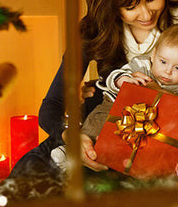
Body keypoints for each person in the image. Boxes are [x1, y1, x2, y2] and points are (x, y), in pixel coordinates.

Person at [9, 0, 178, 178]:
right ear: (111, 4)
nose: (146, 14)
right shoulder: (93, 31)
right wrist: (71, 137)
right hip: (100, 127)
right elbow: (52, 104)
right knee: (29, 171)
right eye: (131, 6)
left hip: (164, 136)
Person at [51, 24, 178, 173]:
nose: (168, 71)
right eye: (163, 62)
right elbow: (114, 75)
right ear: (153, 54)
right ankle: (71, 151)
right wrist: (123, 80)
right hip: (118, 105)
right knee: (98, 123)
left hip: (156, 122)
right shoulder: (141, 64)